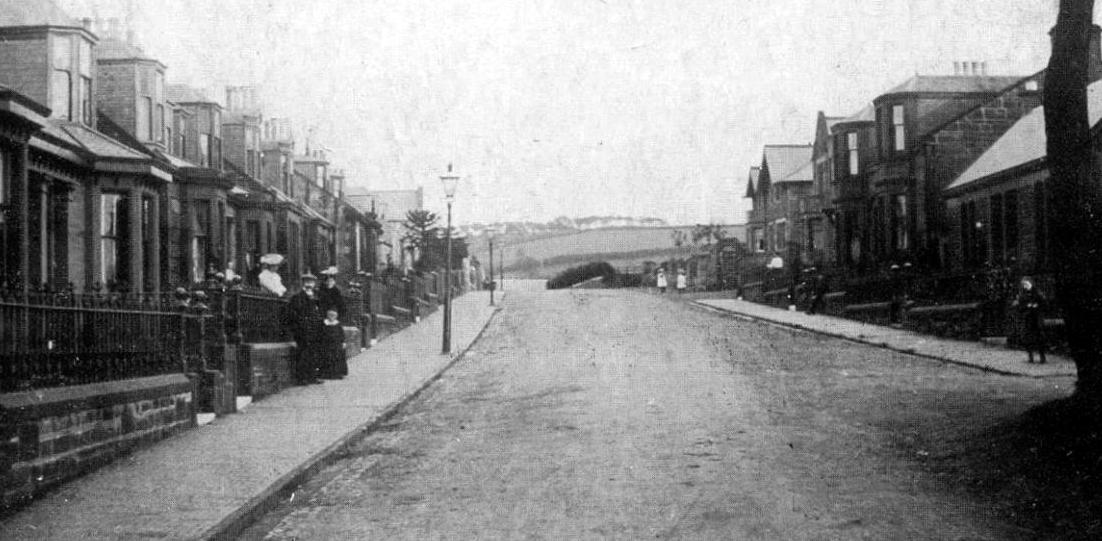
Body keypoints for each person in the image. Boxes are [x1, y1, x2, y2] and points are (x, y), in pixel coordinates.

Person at [285, 272, 324, 384]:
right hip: (303, 330)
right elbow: (292, 315)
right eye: (307, 282)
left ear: (314, 283)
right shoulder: (297, 297)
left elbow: (319, 312)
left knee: (314, 353)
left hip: (314, 329)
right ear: (303, 283)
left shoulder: (316, 296)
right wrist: (297, 328)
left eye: (311, 282)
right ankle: (302, 378)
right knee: (303, 354)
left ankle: (312, 376)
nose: (309, 284)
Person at [1013, 276, 1047, 364]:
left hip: (1037, 317)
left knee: (1040, 337)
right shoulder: (1022, 294)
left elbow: (1044, 302)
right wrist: (1026, 306)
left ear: (1031, 283)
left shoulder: (1037, 292)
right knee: (1028, 338)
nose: (1025, 286)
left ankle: (1042, 357)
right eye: (1024, 284)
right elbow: (1018, 305)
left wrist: (1036, 305)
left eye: (1027, 284)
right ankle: (1030, 356)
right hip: (1027, 318)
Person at [319, 308, 348, 379]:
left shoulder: (338, 324)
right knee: (327, 358)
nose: (332, 317)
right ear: (327, 315)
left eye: (333, 315)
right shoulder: (324, 323)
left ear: (336, 316)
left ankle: (337, 374)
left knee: (337, 358)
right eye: (330, 315)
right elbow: (320, 333)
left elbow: (342, 334)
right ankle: (326, 374)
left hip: (336, 345)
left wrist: (343, 342)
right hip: (326, 345)